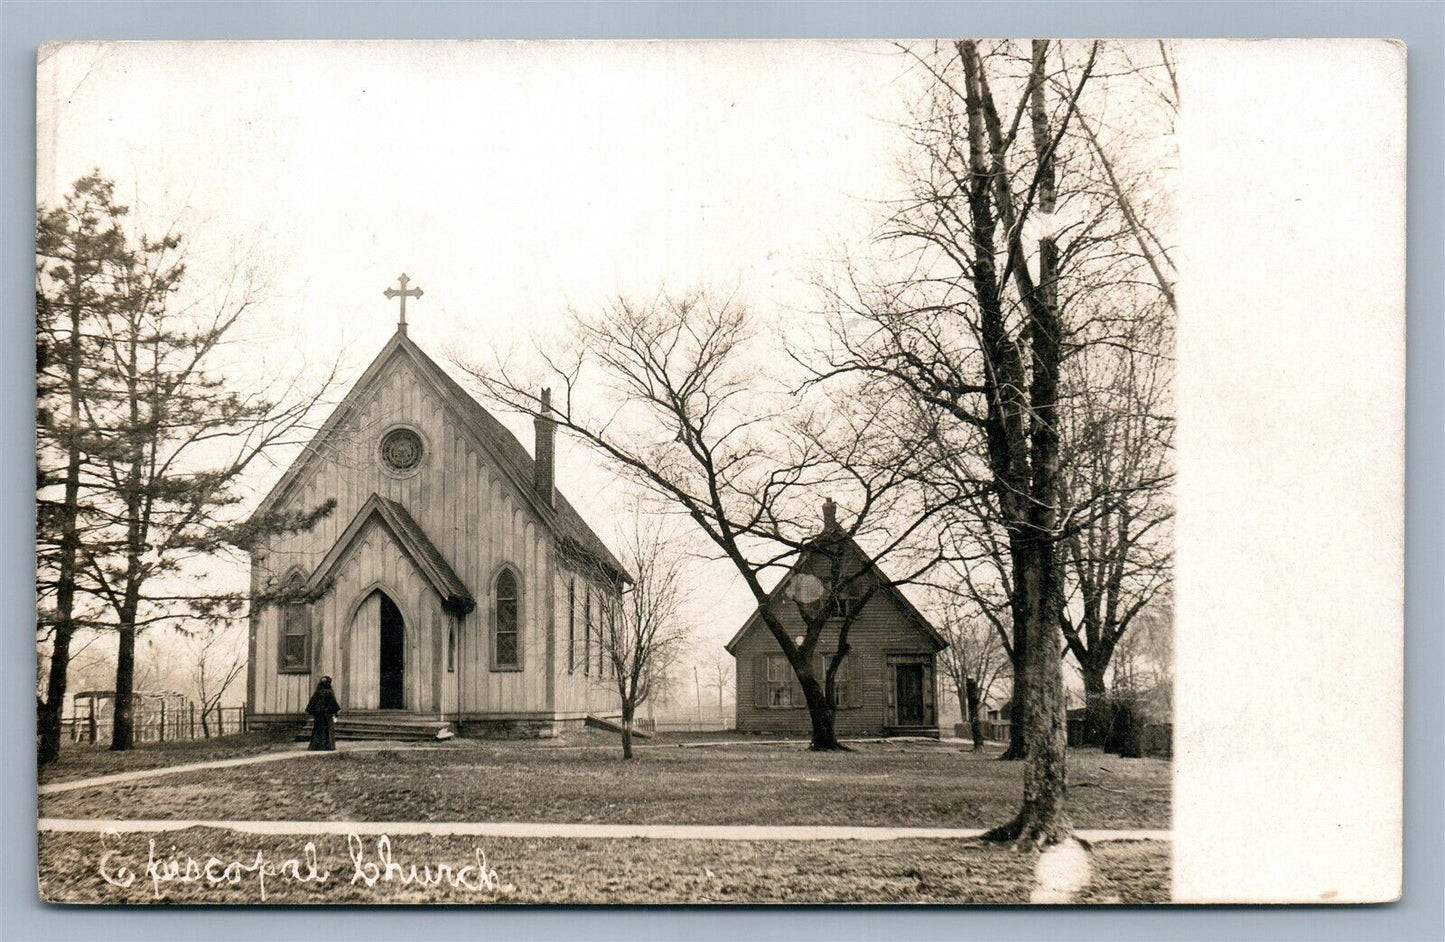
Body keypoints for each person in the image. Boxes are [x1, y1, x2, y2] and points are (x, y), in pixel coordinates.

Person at [305, 676, 341, 751]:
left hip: (318, 715)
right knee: (327, 729)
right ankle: (327, 746)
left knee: (317, 729)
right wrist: (336, 711)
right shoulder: (329, 693)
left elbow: (312, 703)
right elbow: (333, 703)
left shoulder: (317, 692)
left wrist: (312, 711)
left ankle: (316, 746)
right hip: (327, 715)